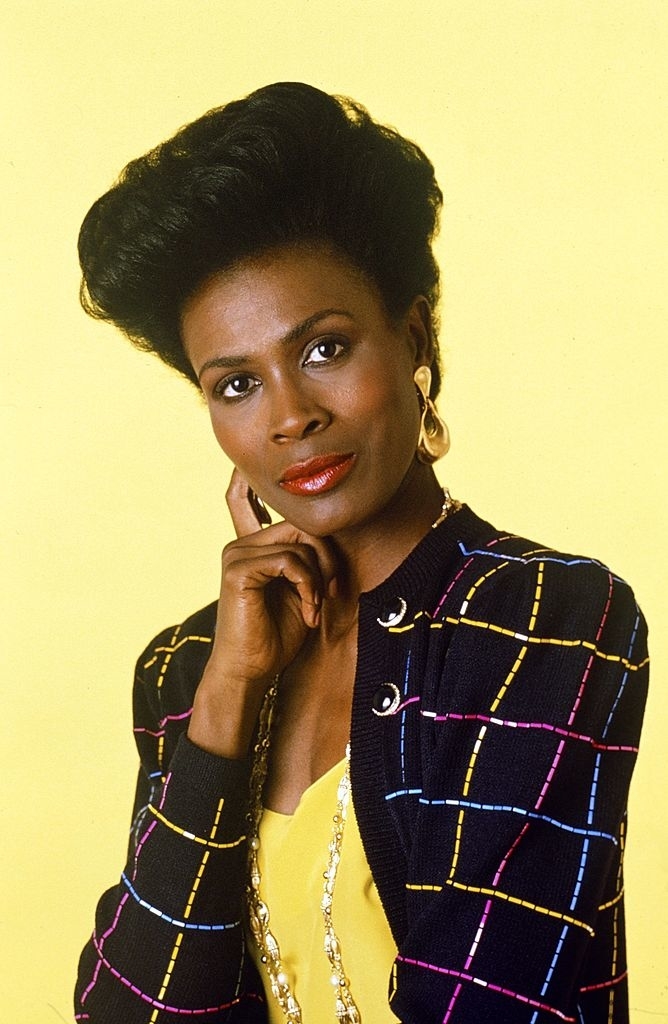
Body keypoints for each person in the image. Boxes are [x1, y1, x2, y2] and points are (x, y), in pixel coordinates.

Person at [73, 82, 649, 1024]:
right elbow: (128, 1010)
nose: (290, 414)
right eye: (236, 384)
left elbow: (490, 998)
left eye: (327, 348)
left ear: (413, 336)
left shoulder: (544, 615)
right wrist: (226, 701)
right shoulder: (186, 670)